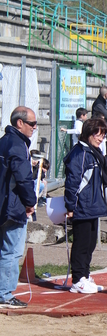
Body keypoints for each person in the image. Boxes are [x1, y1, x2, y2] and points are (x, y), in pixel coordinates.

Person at [64, 117, 107, 293]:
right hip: (82, 206)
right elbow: (72, 182)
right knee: (81, 244)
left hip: (94, 205)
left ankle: (85, 275)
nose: (101, 138)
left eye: (103, 135)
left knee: (91, 243)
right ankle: (78, 279)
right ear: (88, 134)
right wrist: (70, 206)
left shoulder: (95, 152)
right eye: (97, 134)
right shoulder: (80, 153)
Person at [0, 107, 37, 310]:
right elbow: (23, 178)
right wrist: (30, 202)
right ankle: (4, 294)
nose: (34, 127)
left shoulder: (4, 142)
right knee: (12, 251)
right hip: (12, 207)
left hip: (4, 204)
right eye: (31, 123)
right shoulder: (17, 144)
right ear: (19, 123)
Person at [92, 85, 107, 159]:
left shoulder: (103, 102)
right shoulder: (98, 104)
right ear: (105, 94)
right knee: (104, 150)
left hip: (105, 129)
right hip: (100, 129)